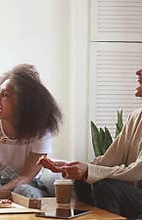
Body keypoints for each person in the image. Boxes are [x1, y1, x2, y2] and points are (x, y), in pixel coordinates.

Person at [40, 69, 142, 219]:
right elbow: (109, 160)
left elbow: (137, 172)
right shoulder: (136, 116)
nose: (138, 72)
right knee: (83, 181)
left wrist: (88, 171)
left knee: (104, 186)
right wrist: (73, 167)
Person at [0, 64, 62, 198]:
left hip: (31, 184)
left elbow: (25, 178)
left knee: (22, 191)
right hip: (0, 182)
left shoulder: (40, 130)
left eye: (5, 95)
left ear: (24, 103)